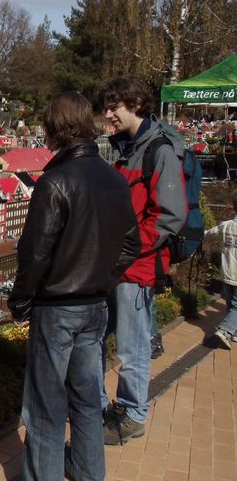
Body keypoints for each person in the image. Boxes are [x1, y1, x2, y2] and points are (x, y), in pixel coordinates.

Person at [8, 92, 140, 481]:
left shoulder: (55, 182)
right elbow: (131, 242)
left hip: (57, 308)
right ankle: (87, 474)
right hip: (95, 305)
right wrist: (104, 277)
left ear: (54, 129)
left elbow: (35, 253)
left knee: (46, 409)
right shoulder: (114, 179)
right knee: (85, 400)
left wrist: (21, 301)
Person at [99, 76, 186, 445]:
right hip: (114, 266)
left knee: (133, 348)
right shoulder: (125, 149)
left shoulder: (158, 151)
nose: (107, 115)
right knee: (98, 338)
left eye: (113, 107)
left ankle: (133, 414)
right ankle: (105, 407)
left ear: (134, 105)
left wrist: (129, 249)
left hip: (135, 269)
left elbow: (169, 216)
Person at [206, 191, 237, 349]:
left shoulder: (226, 226)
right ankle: (225, 330)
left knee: (231, 303)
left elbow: (210, 234)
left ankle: (234, 332)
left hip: (227, 272)